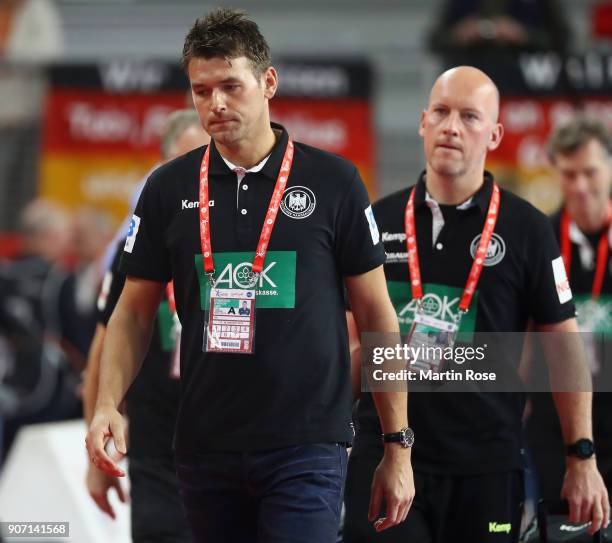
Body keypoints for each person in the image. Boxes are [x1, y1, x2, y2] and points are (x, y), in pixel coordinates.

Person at [86, 8, 413, 543]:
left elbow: (378, 316)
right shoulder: (167, 189)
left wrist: (397, 445)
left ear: (268, 83)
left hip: (307, 445)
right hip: (203, 447)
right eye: (200, 90)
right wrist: (106, 404)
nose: (215, 103)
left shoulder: (333, 182)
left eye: (230, 86)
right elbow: (132, 311)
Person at [343, 66, 610, 543]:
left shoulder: (528, 229)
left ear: (494, 134)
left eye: (469, 116)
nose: (451, 126)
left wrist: (581, 456)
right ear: (423, 121)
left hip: (486, 466)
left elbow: (564, 347)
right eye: (441, 112)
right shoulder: (375, 221)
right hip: (386, 456)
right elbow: (347, 345)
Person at [82, 109, 209, 542]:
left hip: (233, 449)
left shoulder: (252, 242)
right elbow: (102, 350)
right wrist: (96, 451)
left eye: (207, 162)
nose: (197, 179)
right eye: (183, 165)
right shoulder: (137, 246)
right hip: (156, 454)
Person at [526, 116, 612, 503]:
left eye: (590, 172)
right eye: (569, 174)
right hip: (555, 419)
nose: (580, 186)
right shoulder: (538, 241)